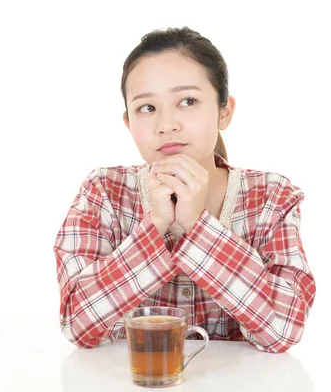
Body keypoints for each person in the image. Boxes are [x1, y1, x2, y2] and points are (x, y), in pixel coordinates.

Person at [53, 26, 316, 354]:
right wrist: (155, 227)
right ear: (129, 123)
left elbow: (284, 330)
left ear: (224, 111)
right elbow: (78, 326)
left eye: (187, 101)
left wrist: (198, 226)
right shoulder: (103, 192)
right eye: (147, 108)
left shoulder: (271, 197)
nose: (166, 124)